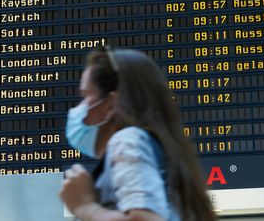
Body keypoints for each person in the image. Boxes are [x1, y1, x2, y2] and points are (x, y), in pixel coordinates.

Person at [59, 47, 216, 221]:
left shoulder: (127, 141)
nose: (78, 109)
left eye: (85, 96)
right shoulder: (164, 155)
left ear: (111, 105)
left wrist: (85, 208)